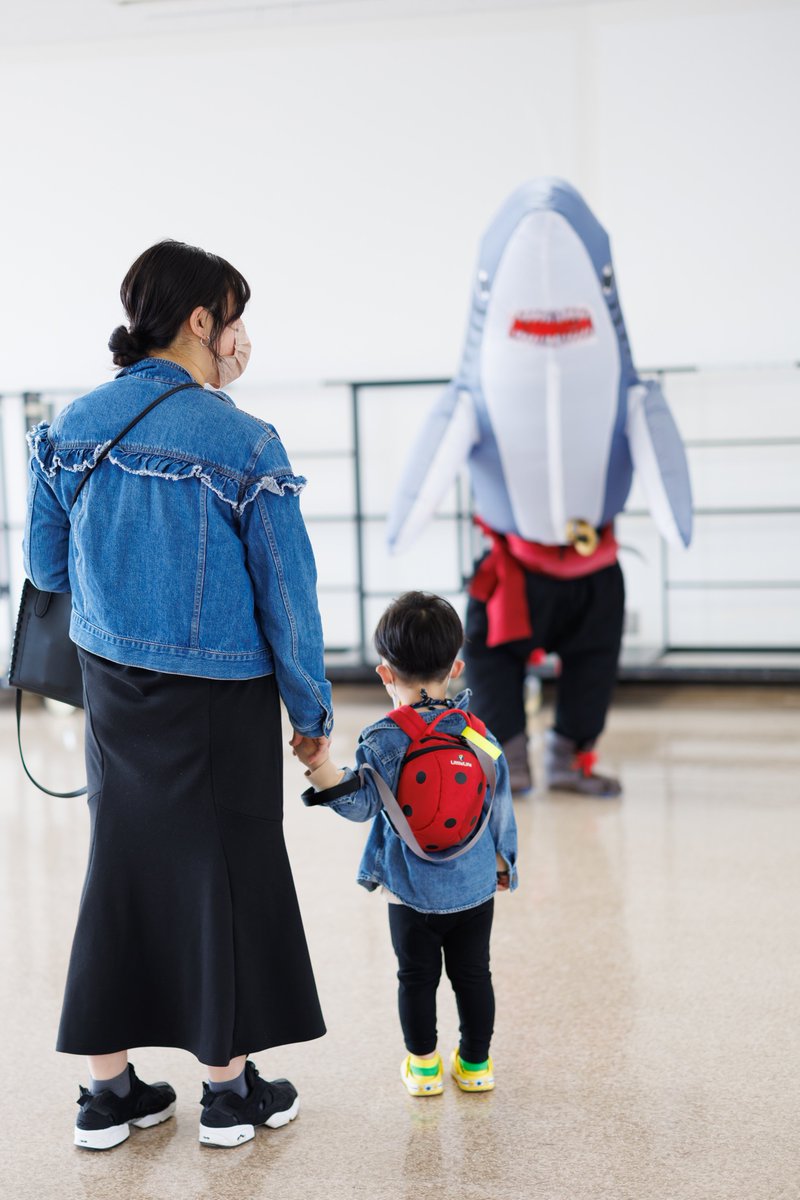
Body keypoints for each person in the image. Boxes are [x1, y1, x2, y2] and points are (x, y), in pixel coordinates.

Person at [23, 239, 332, 1151]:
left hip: (112, 691)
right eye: (236, 317)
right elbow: (289, 599)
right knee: (223, 879)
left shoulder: (72, 426)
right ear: (202, 320)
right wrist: (311, 717)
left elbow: (45, 569)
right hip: (221, 701)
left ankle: (107, 1093)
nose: (242, 338)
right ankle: (228, 1095)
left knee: (118, 874)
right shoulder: (245, 443)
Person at [296, 592, 517, 1096]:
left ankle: (424, 1069)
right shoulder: (479, 734)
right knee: (474, 975)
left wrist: (320, 766)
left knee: (415, 978)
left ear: (384, 673)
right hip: (474, 886)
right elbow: (499, 802)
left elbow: (360, 806)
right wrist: (504, 864)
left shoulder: (383, 739)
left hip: (409, 888)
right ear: (456, 667)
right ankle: (476, 1065)